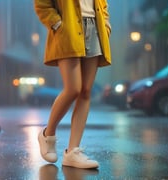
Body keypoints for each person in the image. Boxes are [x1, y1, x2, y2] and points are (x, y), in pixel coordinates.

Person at [34, 0, 111, 169]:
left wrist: (105, 24)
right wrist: (57, 24)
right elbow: (42, 3)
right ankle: (48, 134)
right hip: (68, 26)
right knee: (73, 88)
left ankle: (72, 152)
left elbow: (103, 5)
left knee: (85, 91)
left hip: (94, 26)